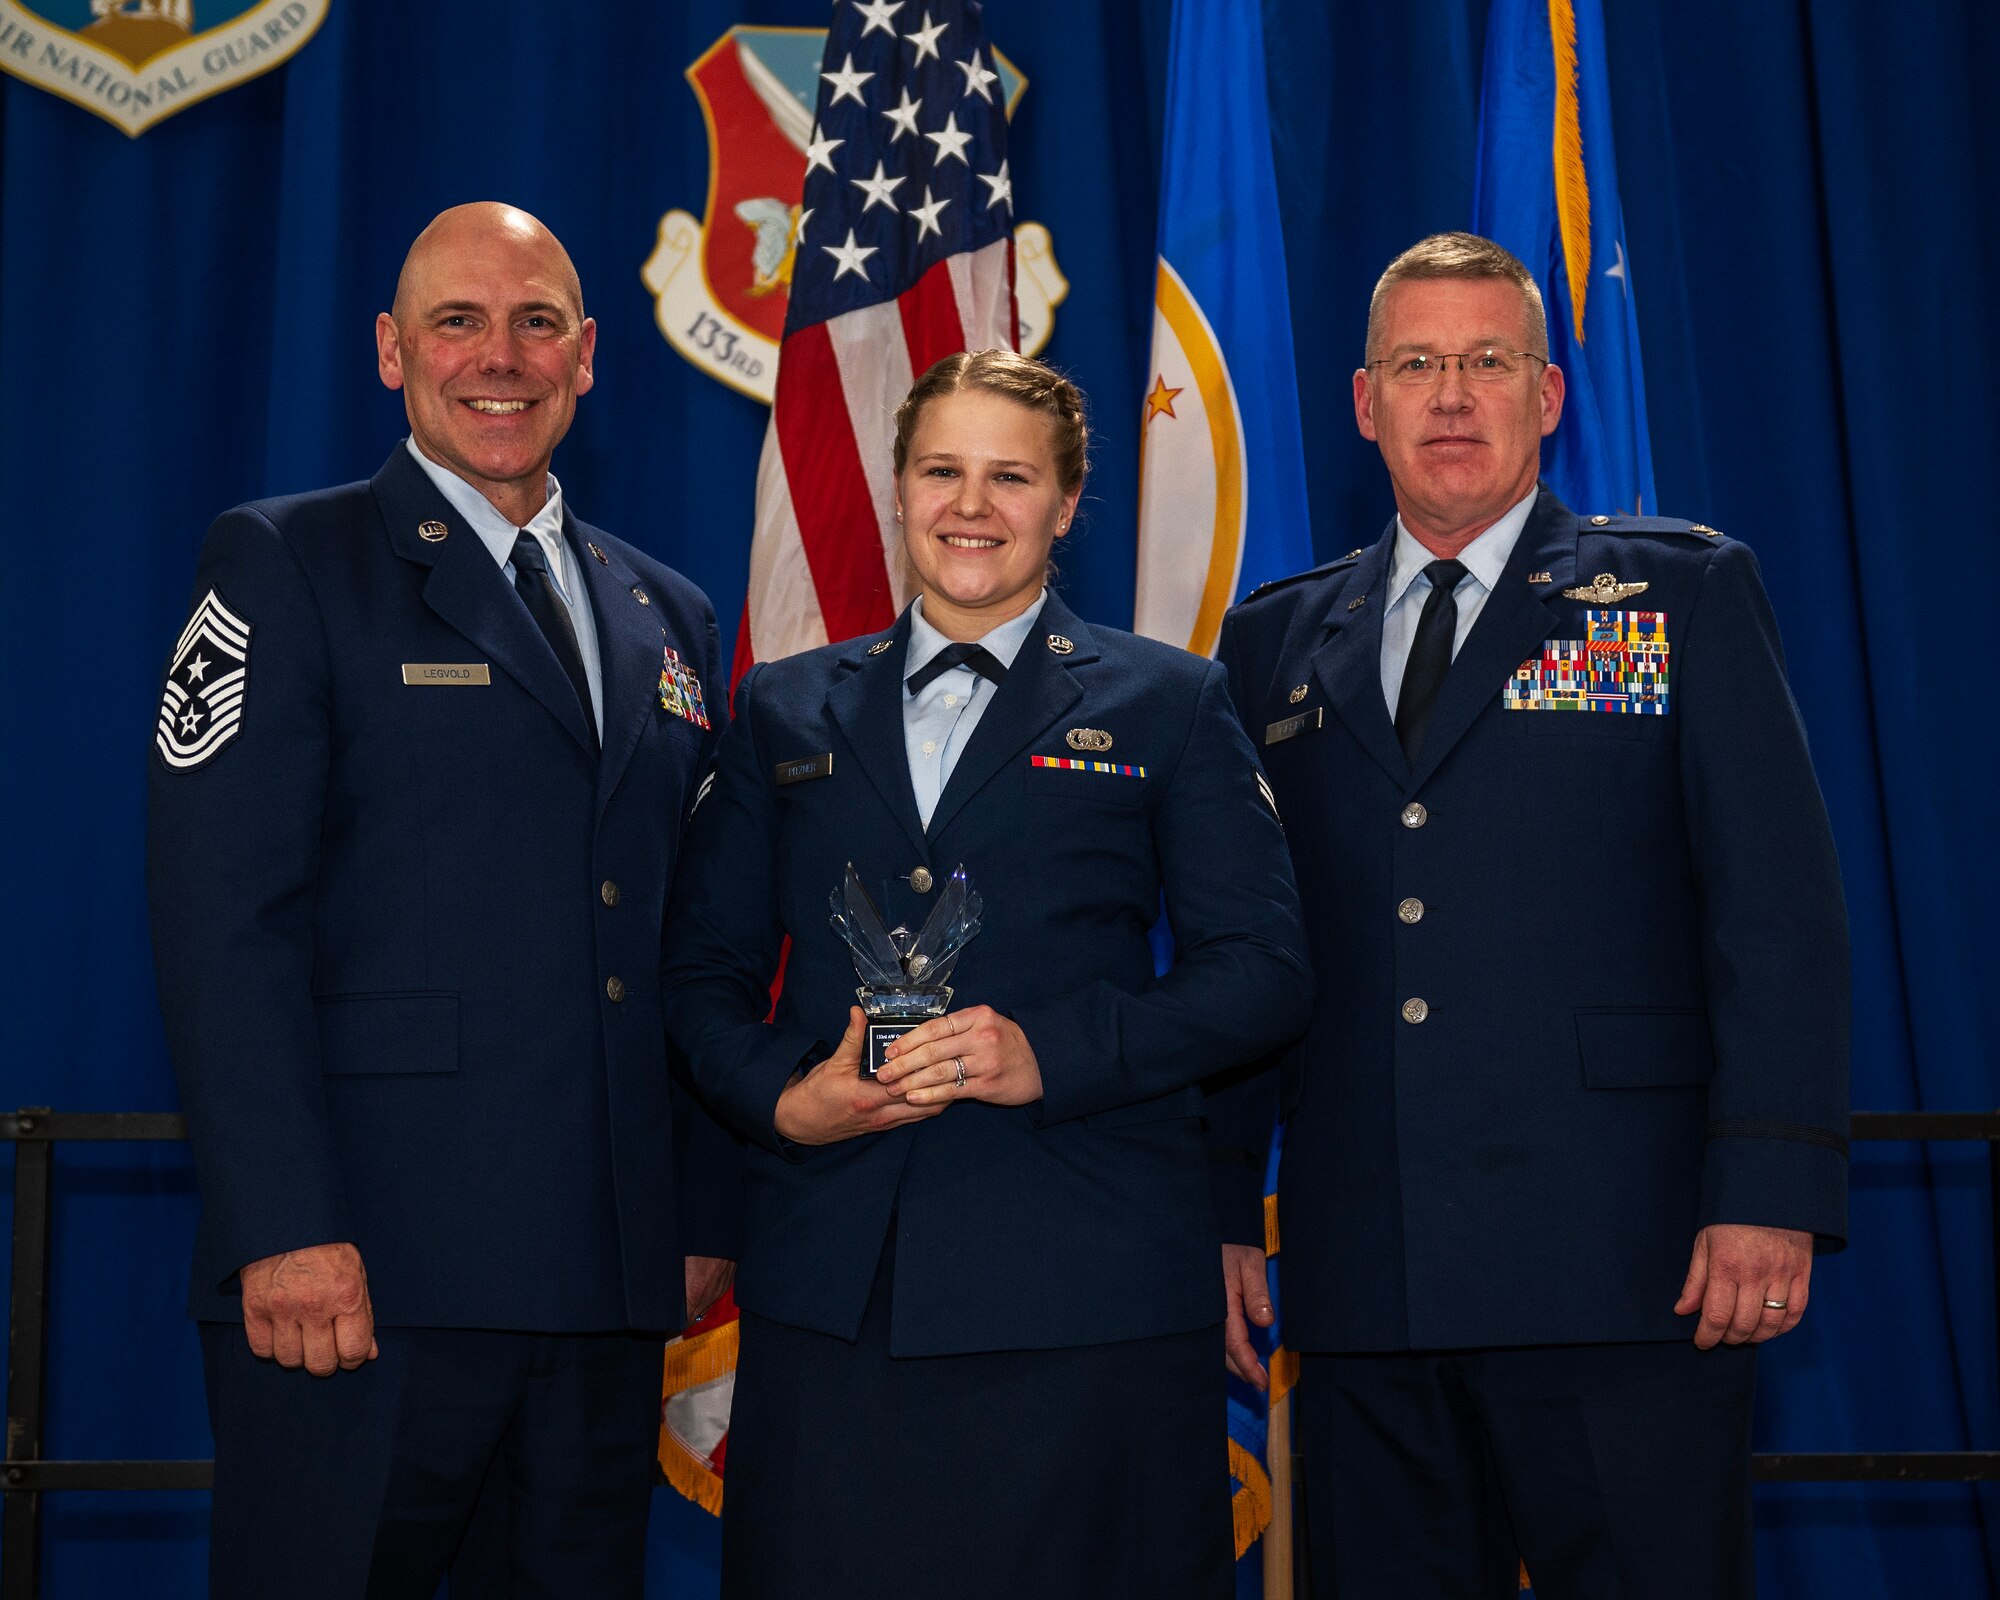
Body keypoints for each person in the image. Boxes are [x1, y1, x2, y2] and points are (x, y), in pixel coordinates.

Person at [1212, 232, 1849, 1599]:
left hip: (1627, 1262)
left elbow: (1777, 911)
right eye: (1419, 364)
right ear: (1363, 400)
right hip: (1369, 1268)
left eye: (1488, 362)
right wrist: (1218, 1207)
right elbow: (1245, 953)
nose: (1453, 396)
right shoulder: (1273, 642)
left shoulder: (1678, 592)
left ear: (1547, 397)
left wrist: (1771, 1191)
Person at [146, 202, 738, 1598]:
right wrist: (280, 1224)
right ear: (389, 352)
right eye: (458, 322)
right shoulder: (287, 565)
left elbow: (689, 941)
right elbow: (221, 920)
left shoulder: (668, 614)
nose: (501, 357)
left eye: (538, 323)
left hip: (599, 1292)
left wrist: (700, 1210)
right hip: (360, 1284)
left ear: (589, 354)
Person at [660, 349, 1312, 1600]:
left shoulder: (1170, 702)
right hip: (835, 1286)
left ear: (1066, 504)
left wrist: (1052, 1053)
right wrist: (781, 1095)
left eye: (1010, 477)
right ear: (897, 488)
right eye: (941, 470)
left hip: (1084, 1282)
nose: (971, 505)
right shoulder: (783, 709)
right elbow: (698, 971)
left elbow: (1265, 971)